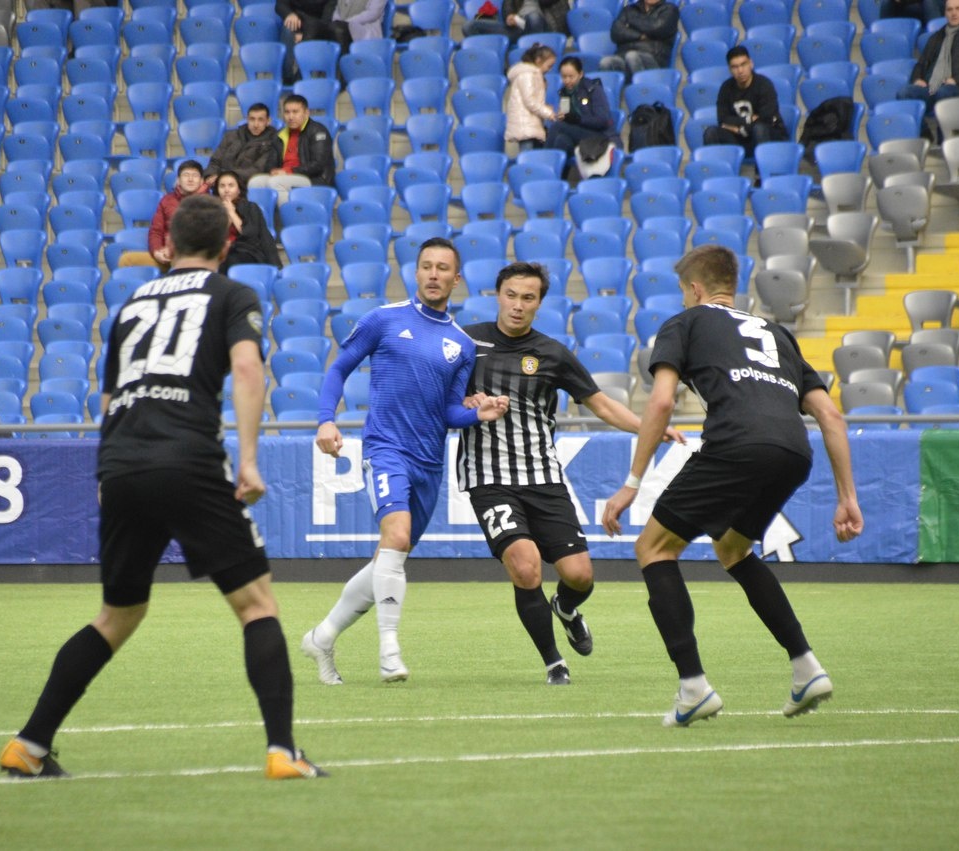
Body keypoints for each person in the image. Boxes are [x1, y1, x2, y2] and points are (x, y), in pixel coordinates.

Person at [0, 195, 325, 781]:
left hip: (122, 463)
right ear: (227, 245)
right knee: (256, 605)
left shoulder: (132, 304)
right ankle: (283, 751)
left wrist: (106, 471)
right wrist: (249, 461)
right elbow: (247, 369)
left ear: (168, 244)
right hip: (187, 459)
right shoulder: (232, 295)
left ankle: (28, 745)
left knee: (116, 615)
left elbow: (108, 399)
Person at [601, 245, 863, 728]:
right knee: (733, 549)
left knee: (654, 548)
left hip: (736, 444)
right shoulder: (778, 334)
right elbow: (830, 415)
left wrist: (632, 483)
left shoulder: (685, 323)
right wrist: (848, 497)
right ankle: (806, 667)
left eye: (684, 293)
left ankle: (693, 687)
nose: (684, 300)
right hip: (793, 453)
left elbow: (660, 404)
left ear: (695, 289)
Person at [457, 262, 684, 685]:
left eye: (528, 298)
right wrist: (463, 403)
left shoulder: (552, 353)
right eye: (511, 295)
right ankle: (554, 663)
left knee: (580, 576)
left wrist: (649, 427)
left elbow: (601, 404)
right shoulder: (465, 342)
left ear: (539, 303)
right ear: (497, 295)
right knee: (525, 566)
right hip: (488, 478)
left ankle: (564, 607)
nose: (518, 305)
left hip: (543, 478)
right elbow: (434, 391)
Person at [300, 238, 510, 685]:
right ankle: (389, 652)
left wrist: (479, 414)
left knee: (389, 558)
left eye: (443, 268)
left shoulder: (461, 344)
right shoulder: (384, 319)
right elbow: (338, 369)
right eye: (426, 266)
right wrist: (326, 420)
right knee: (395, 537)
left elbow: (449, 412)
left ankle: (323, 636)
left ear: (457, 279)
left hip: (429, 463)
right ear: (415, 273)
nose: (434, 274)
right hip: (386, 449)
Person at [897, 0, 959, 127]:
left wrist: (957, 80)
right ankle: (924, 132)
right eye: (950, 10)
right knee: (904, 93)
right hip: (931, 88)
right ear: (945, 13)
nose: (954, 13)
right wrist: (917, 79)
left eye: (958, 9)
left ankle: (943, 136)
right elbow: (921, 64)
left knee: (943, 92)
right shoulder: (936, 38)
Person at [247, 95, 335, 208]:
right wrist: (273, 171)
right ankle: (261, 217)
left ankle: (290, 216)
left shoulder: (317, 131)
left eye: (295, 112)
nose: (290, 117)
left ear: (306, 113)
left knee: (276, 182)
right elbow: (270, 163)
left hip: (314, 179)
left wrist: (288, 171)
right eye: (287, 112)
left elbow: (318, 165)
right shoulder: (280, 134)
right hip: (287, 176)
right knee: (255, 182)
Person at [703, 46, 788, 155]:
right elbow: (722, 119)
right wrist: (749, 119)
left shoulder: (764, 85)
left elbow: (765, 118)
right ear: (730, 69)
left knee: (759, 129)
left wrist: (739, 128)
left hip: (768, 135)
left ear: (751, 64)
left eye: (743, 64)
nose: (740, 71)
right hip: (740, 138)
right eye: (735, 67)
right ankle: (718, 166)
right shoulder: (726, 88)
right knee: (711, 132)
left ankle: (765, 165)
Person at [544, 57, 620, 174]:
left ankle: (544, 166)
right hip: (579, 136)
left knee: (558, 127)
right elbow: (566, 117)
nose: (567, 81)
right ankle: (555, 179)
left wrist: (576, 119)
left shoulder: (593, 90)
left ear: (580, 74)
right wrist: (562, 116)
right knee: (562, 140)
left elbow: (602, 120)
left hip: (601, 136)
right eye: (564, 77)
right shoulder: (564, 93)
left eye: (571, 77)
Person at [203, 103, 283, 192]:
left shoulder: (273, 142)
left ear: (268, 121)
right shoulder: (231, 136)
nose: (256, 124)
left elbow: (257, 170)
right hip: (220, 183)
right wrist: (210, 175)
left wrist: (224, 177)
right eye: (252, 119)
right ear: (247, 119)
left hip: (244, 186)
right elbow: (215, 160)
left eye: (260, 120)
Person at [216, 170, 282, 272]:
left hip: (245, 251)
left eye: (231, 185)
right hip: (218, 251)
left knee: (232, 259)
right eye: (222, 186)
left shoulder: (250, 207)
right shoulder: (212, 209)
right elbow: (213, 236)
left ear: (239, 190)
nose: (226, 190)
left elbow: (250, 234)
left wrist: (232, 213)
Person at [148, 160, 208, 268]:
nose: (190, 179)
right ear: (178, 180)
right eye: (186, 175)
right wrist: (157, 252)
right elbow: (156, 231)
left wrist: (173, 250)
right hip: (167, 256)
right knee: (128, 260)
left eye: (195, 176)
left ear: (201, 181)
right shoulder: (167, 200)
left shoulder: (210, 203)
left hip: (197, 257)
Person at [599, 0, 680, 80]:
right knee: (606, 62)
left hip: (653, 58)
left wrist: (631, 21)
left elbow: (655, 28)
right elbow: (616, 32)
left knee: (632, 56)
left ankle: (643, 86)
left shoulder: (669, 9)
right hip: (623, 56)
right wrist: (640, 36)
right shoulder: (628, 9)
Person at [506, 43, 558, 153]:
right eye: (549, 66)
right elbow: (530, 101)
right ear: (538, 61)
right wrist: (548, 113)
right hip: (525, 125)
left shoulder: (533, 74)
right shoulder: (527, 74)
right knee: (528, 156)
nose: (550, 70)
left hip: (530, 123)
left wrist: (545, 107)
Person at [276, 0, 341, 85]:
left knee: (319, 31)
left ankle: (301, 76)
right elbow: (280, 5)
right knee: (287, 30)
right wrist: (289, 14)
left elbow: (326, 20)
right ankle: (288, 77)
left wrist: (305, 33)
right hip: (297, 21)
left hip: (317, 26)